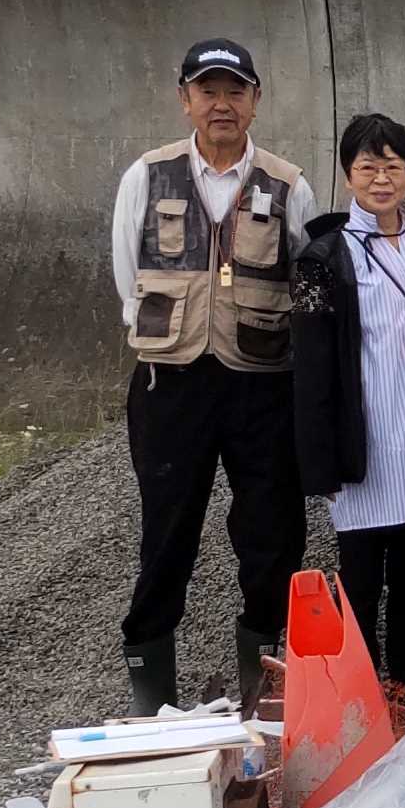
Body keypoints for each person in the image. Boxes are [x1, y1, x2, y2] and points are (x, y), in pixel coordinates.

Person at [110, 36, 319, 716]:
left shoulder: (290, 185)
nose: (221, 104)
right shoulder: (147, 175)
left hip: (263, 386)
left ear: (256, 101)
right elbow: (125, 276)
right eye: (208, 91)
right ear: (185, 99)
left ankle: (262, 685)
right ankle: (151, 695)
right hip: (171, 385)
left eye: (235, 91)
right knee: (166, 533)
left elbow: (306, 280)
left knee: (272, 535)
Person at [292, 113, 405, 702]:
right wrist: (320, 463)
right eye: (367, 164)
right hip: (367, 442)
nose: (381, 177)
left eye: (392, 164)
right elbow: (313, 368)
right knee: (362, 576)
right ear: (348, 174)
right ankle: (360, 692)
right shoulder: (323, 257)